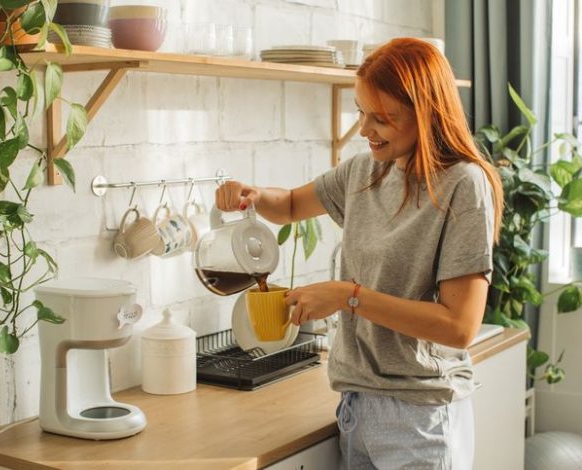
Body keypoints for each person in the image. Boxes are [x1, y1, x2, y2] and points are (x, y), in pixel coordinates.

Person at [215, 37, 503, 469]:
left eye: (382, 118)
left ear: (425, 114)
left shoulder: (463, 185)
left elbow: (459, 327)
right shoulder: (365, 172)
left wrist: (348, 296)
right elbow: (292, 204)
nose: (365, 129)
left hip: (420, 418)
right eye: (360, 112)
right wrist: (253, 194)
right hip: (356, 406)